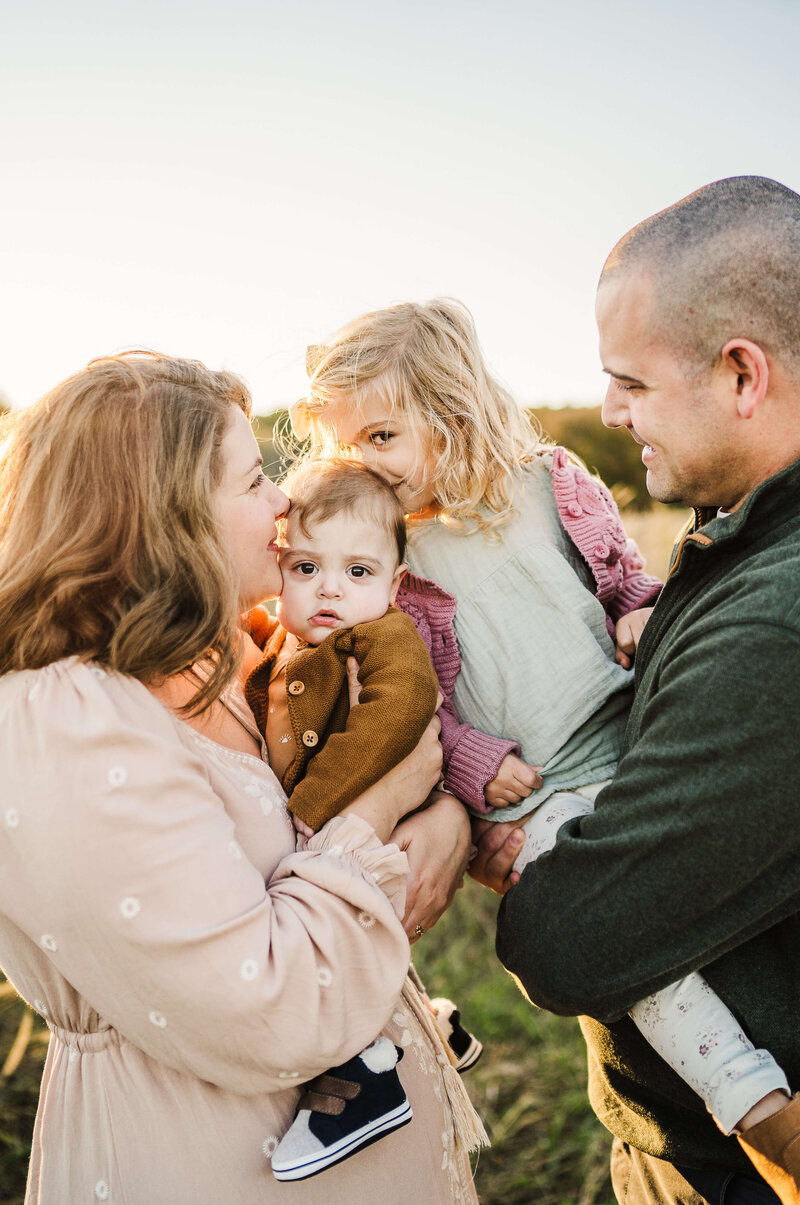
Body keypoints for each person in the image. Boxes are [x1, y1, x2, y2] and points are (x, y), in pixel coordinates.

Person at [294, 293, 799, 1193]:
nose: (359, 464)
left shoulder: (551, 482)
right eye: (344, 446)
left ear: (451, 415)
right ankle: (760, 1109)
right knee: (648, 959)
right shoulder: (393, 557)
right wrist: (478, 765)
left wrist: (644, 613)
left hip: (633, 735)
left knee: (689, 901)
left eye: (380, 438)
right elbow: (416, 703)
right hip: (540, 793)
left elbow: (624, 577)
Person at [0, 351, 483, 1204]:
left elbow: (320, 807)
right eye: (256, 478)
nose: (285, 503)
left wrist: (442, 813)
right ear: (164, 511)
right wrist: (391, 796)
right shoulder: (66, 719)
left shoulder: (238, 652)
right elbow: (271, 1004)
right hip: (209, 1165)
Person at [470, 175, 800, 1205]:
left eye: (630, 383)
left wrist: (520, 856)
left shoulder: (775, 619)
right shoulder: (744, 545)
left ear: (740, 374)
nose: (609, 413)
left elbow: (574, 934)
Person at [242, 455, 498, 1178]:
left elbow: (400, 714)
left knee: (342, 941)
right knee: (359, 944)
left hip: (371, 831)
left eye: (358, 572)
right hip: (349, 836)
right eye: (305, 568)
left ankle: (367, 1079)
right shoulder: (281, 643)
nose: (329, 588)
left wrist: (310, 813)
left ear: (392, 586)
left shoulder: (381, 640)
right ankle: (433, 1024)